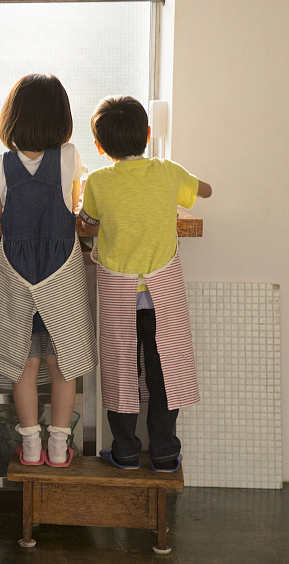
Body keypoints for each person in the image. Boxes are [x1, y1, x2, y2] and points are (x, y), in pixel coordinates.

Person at [79, 95, 211, 472]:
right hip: (163, 292)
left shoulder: (98, 181)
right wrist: (182, 189)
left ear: (100, 146)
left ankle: (125, 452)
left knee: (121, 369)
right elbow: (205, 191)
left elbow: (88, 223)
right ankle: (166, 453)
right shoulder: (168, 172)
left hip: (120, 293)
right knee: (166, 369)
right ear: (149, 134)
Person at [0, 73, 97, 467]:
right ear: (60, 118)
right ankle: (60, 446)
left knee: (23, 363)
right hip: (60, 276)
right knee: (63, 362)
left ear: (11, 118)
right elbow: (76, 208)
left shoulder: (0, 164)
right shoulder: (69, 158)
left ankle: (30, 447)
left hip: (17, 277)